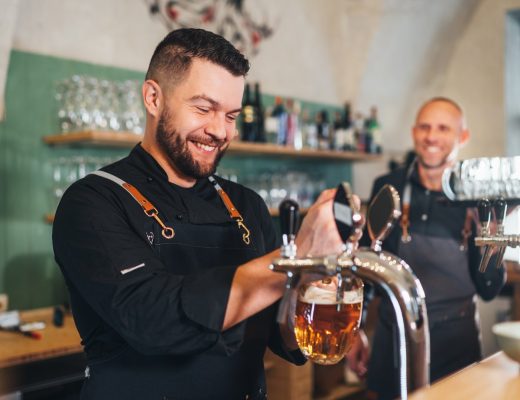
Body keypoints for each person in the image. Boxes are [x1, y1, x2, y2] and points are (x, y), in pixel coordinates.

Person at [52, 28, 345, 399]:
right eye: (204, 109)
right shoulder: (93, 201)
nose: (219, 131)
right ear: (153, 97)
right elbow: (153, 319)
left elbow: (281, 334)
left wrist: (311, 288)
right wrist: (294, 259)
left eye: (231, 115)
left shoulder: (247, 205)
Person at [346, 97, 507, 399]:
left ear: (463, 137)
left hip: (456, 344)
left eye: (443, 128)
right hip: (394, 341)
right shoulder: (388, 186)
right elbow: (367, 264)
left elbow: (489, 290)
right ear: (414, 132)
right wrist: (353, 330)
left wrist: (492, 237)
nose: (431, 136)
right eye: (425, 127)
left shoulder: (479, 196)